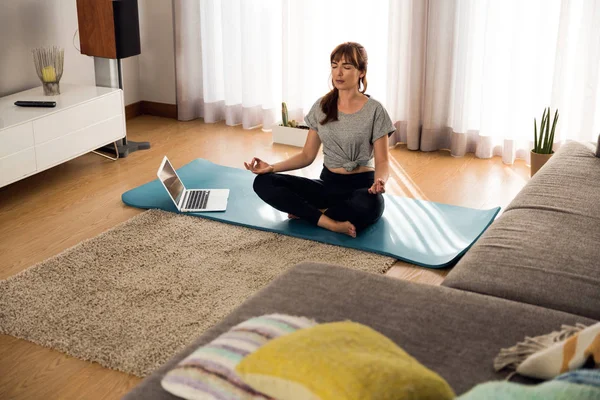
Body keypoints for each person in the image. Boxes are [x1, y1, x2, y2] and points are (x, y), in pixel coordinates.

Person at [244, 42, 396, 238]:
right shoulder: (322, 106)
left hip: (361, 187)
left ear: (361, 72)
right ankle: (330, 222)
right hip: (328, 186)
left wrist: (380, 181)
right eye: (334, 66)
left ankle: (311, 213)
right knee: (263, 183)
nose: (338, 73)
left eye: (347, 67)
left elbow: (383, 161)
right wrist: (271, 167)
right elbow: (307, 155)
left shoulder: (375, 110)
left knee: (371, 204)